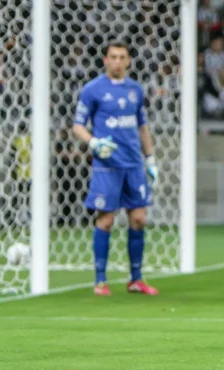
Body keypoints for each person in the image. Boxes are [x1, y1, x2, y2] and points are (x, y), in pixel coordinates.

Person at [72, 40, 158, 296]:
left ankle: (136, 279)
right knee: (106, 220)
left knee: (139, 219)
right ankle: (100, 281)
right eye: (113, 57)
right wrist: (94, 142)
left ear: (129, 61)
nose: (118, 61)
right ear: (105, 60)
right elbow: (77, 127)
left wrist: (151, 158)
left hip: (134, 164)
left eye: (122, 57)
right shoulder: (92, 90)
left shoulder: (136, 90)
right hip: (107, 166)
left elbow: (142, 126)